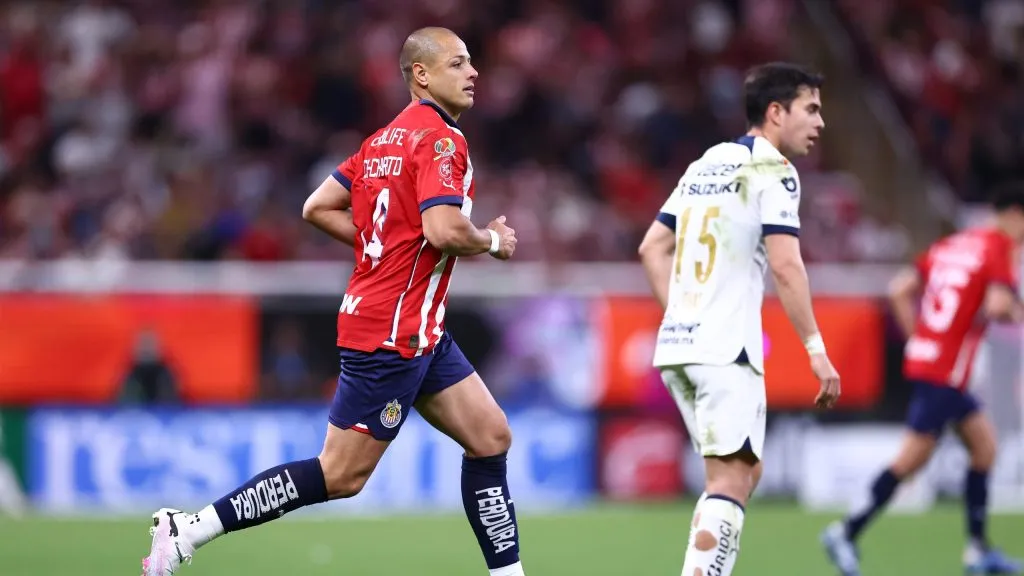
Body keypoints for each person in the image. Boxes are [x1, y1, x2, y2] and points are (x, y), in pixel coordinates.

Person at [143, 27, 524, 576]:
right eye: (458, 64)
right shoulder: (443, 141)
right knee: (340, 475)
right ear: (421, 75)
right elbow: (443, 230)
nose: (473, 73)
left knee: (490, 436)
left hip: (418, 326)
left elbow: (316, 206)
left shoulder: (381, 142)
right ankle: (189, 529)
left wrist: (381, 239)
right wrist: (492, 240)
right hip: (392, 332)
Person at [638, 62, 841, 576]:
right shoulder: (773, 170)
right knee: (729, 484)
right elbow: (787, 266)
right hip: (726, 350)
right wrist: (817, 351)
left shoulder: (707, 162)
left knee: (742, 475)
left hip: (679, 347)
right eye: (811, 109)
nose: (820, 122)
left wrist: (683, 313)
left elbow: (651, 248)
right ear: (776, 112)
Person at [821, 184, 1024, 576]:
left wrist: (921, 339)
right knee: (910, 460)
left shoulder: (953, 244)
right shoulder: (998, 246)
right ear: (1015, 213)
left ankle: (978, 551)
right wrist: (1013, 312)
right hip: (946, 373)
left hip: (933, 365)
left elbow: (899, 290)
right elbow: (998, 305)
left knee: (983, 447)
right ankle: (845, 530)